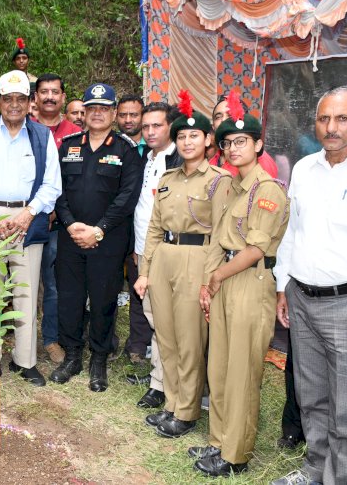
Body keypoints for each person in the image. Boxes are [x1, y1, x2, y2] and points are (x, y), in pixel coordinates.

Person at [271, 86, 347, 485]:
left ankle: (341, 480)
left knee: (345, 408)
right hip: (301, 299)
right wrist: (282, 285)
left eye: (342, 119)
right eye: (324, 119)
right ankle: (313, 471)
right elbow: (292, 232)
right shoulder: (306, 169)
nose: (331, 127)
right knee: (311, 397)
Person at [194, 89, 289, 478]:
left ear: (258, 143)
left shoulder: (266, 190)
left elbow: (254, 249)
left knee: (243, 373)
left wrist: (215, 277)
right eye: (227, 143)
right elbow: (219, 239)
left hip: (250, 281)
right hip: (226, 282)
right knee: (219, 368)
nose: (232, 149)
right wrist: (208, 283)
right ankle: (218, 440)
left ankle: (236, 454)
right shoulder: (232, 186)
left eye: (241, 142)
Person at [133, 90, 230, 438]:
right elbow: (155, 228)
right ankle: (171, 403)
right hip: (163, 260)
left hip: (197, 260)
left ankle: (187, 411)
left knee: (190, 340)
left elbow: (220, 235)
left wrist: (209, 280)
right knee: (167, 336)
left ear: (208, 140)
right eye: (182, 136)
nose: (187, 142)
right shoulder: (167, 180)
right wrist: (144, 272)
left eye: (194, 136)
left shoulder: (219, 180)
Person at [0, 70, 61, 387]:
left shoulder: (43, 136)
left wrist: (28, 214)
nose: (15, 105)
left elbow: (51, 185)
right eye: (8, 99)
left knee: (25, 293)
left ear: (30, 102)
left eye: (21, 99)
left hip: (27, 220)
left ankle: (24, 361)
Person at [51, 83, 143, 392]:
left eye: (104, 109)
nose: (98, 113)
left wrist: (98, 229)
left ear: (114, 114)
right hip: (70, 238)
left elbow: (127, 197)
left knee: (104, 301)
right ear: (84, 113)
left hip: (108, 241)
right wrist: (70, 224)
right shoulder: (68, 146)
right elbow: (57, 190)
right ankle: (73, 356)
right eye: (92, 108)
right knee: (70, 299)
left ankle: (99, 360)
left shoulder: (126, 149)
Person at [132, 101, 182, 408]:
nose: (150, 132)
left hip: (169, 253)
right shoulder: (147, 159)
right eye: (146, 126)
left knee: (168, 322)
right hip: (143, 250)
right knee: (155, 317)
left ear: (170, 127)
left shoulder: (178, 159)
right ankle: (159, 381)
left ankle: (167, 386)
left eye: (157, 126)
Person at [31, 73, 81, 364]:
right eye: (44, 92)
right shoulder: (24, 128)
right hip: (25, 218)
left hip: (59, 223)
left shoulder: (75, 132)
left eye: (55, 92)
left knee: (53, 284)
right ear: (35, 98)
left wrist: (55, 211)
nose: (49, 97)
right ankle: (10, 338)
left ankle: (50, 340)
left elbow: (74, 181)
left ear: (63, 97)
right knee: (16, 282)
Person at [115, 94, 152, 368]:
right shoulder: (114, 146)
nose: (128, 120)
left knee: (140, 283)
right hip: (116, 227)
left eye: (134, 115)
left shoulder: (157, 150)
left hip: (143, 229)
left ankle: (139, 345)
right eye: (123, 114)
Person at [211, 94, 278, 179]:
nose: (223, 120)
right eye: (218, 117)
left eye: (229, 115)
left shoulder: (260, 160)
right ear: (213, 126)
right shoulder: (215, 157)